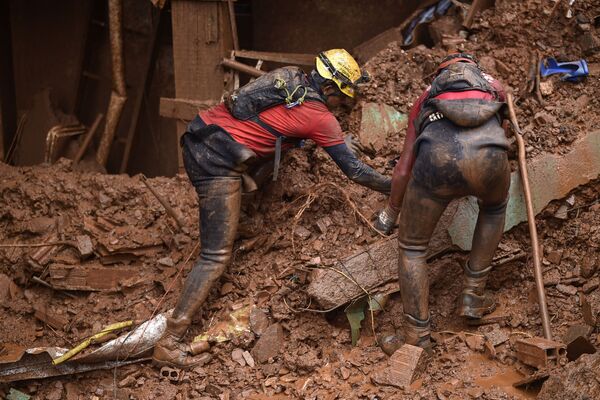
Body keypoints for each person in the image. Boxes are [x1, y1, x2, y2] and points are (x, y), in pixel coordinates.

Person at [153, 49, 391, 368]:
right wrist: (397, 184)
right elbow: (356, 172)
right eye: (342, 98)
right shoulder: (320, 117)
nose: (341, 105)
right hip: (216, 163)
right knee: (215, 255)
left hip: (200, 136)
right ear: (331, 89)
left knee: (287, 148)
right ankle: (170, 342)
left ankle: (242, 207)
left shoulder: (290, 79)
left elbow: (277, 124)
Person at [374, 52, 510, 353]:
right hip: (490, 160)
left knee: (412, 247)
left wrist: (390, 213)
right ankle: (473, 297)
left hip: (437, 162)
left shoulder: (426, 97)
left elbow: (405, 168)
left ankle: (416, 335)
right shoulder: (494, 87)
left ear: (439, 75)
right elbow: (508, 132)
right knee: (494, 208)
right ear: (474, 68)